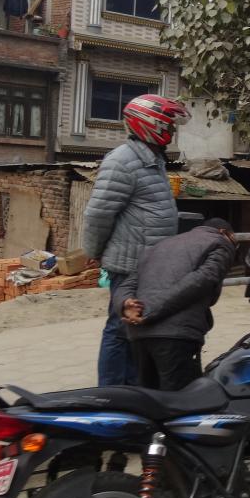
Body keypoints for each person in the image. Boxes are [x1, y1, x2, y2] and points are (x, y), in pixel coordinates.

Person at [82, 94, 190, 386]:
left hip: (149, 264)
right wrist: (92, 251)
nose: (172, 131)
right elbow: (98, 214)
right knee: (119, 328)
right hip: (130, 264)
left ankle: (133, 388)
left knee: (139, 327)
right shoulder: (122, 161)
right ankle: (112, 392)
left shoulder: (151, 159)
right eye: (169, 124)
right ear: (149, 124)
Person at [116, 217, 237, 392]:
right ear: (224, 232)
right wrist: (149, 311)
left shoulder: (161, 245)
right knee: (181, 402)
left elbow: (128, 284)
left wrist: (126, 305)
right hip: (176, 335)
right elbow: (201, 281)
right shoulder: (220, 243)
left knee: (148, 398)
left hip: (138, 334)